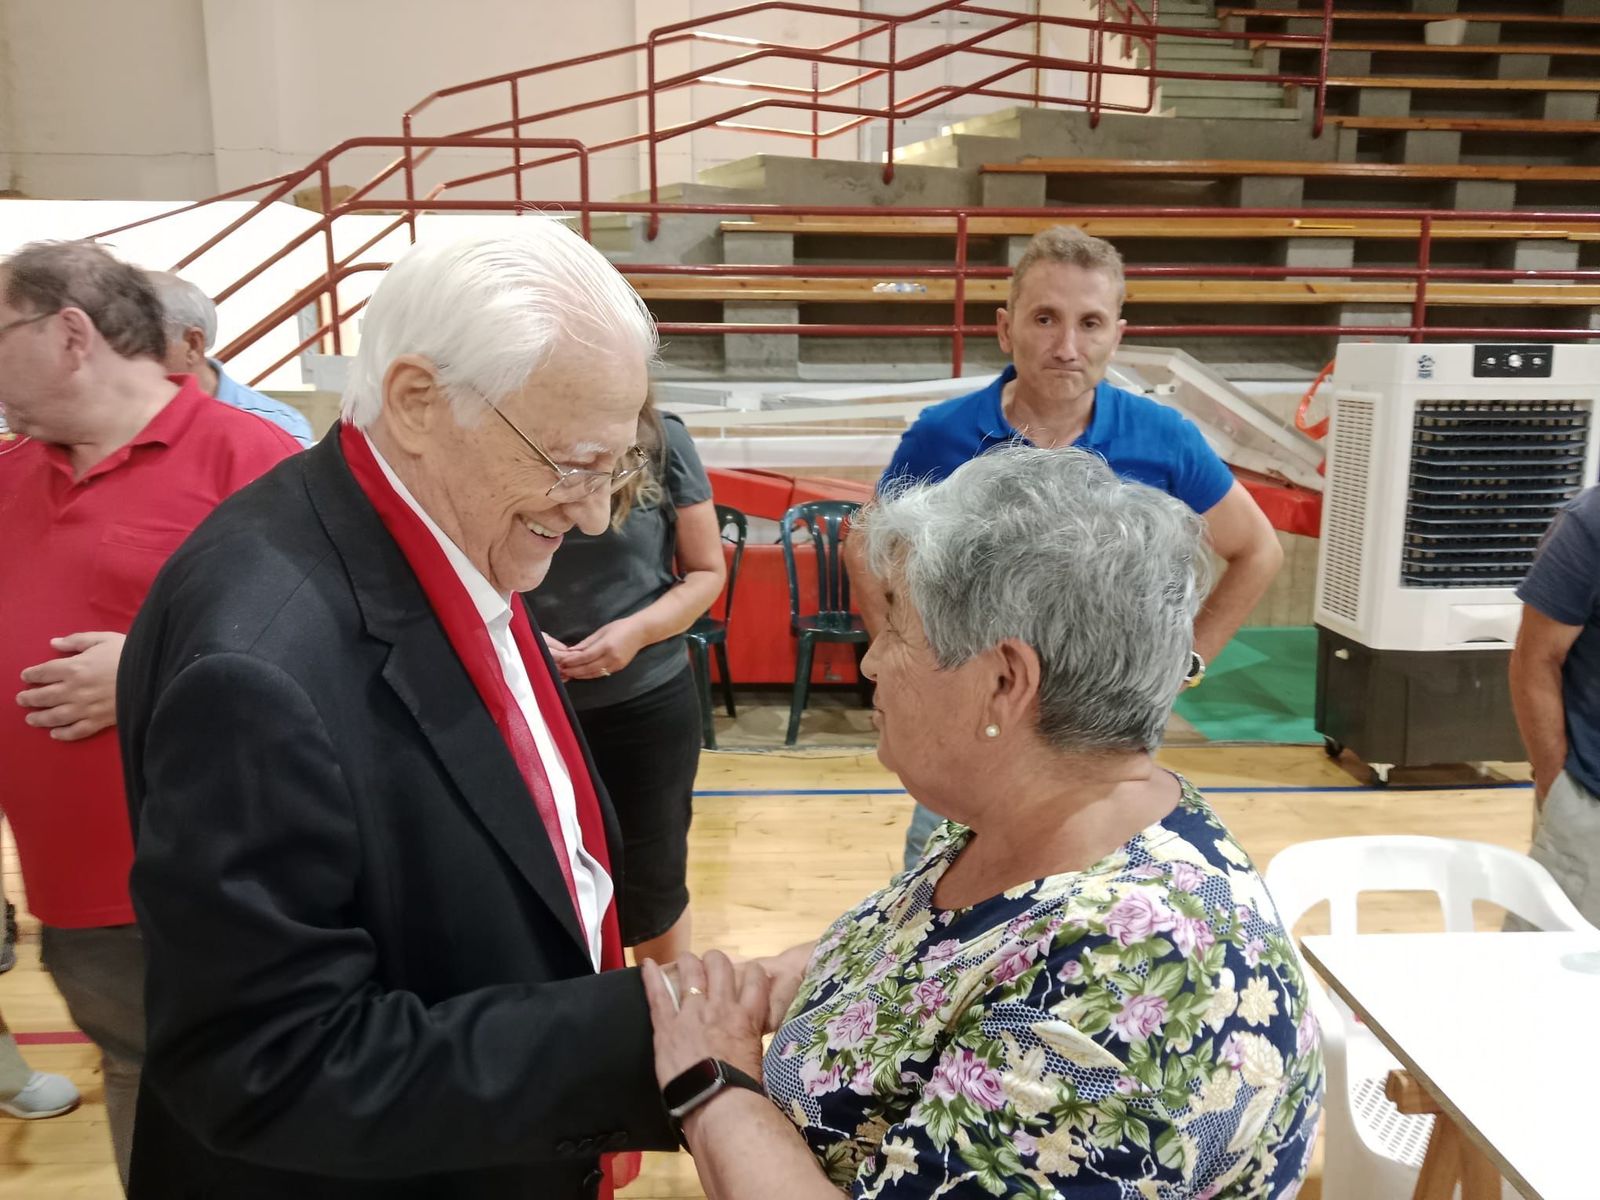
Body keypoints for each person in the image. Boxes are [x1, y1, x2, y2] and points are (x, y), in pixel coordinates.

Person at [117, 226, 686, 1199]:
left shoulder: (450, 529)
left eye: (615, 470)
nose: (594, 516)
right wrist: (640, 1034)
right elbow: (266, 1062)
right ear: (419, 402)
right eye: (575, 464)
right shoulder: (257, 664)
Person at [641, 447, 1323, 1199]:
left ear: (1004, 681)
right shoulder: (1040, 818)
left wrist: (714, 1082)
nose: (871, 664)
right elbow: (939, 959)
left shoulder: (1130, 981)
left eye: (897, 628)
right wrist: (783, 982)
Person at [0, 240, 299, 1186]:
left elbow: (336, 652)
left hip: (220, 884)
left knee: (259, 1102)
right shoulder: (10, 478)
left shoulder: (254, 458)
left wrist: (146, 669)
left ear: (71, 332)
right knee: (135, 1079)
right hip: (74, 895)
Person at [859, 226, 1284, 870]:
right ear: (1006, 330)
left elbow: (1258, 549)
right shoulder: (942, 437)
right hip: (973, 722)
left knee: (1093, 881)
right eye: (1045, 319)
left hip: (1099, 736)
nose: (1066, 346)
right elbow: (869, 550)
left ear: (1117, 333)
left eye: (1089, 323)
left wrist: (1184, 664)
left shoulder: (1164, 437)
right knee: (941, 873)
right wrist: (905, 662)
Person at [530, 393, 726, 965]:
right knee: (544, 878)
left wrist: (637, 632)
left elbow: (706, 571)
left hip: (644, 701)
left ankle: (666, 1032)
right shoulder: (504, 437)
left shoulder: (663, 439)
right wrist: (514, 637)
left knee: (653, 879)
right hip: (529, 702)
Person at [1511, 484, 1600, 924]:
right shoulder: (1591, 521)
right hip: (1589, 810)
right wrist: (1556, 787)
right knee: (1545, 985)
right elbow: (1535, 658)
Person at [148, 270, 315, 447]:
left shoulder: (280, 429)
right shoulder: (125, 422)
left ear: (193, 344)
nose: (122, 364)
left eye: (140, 347)